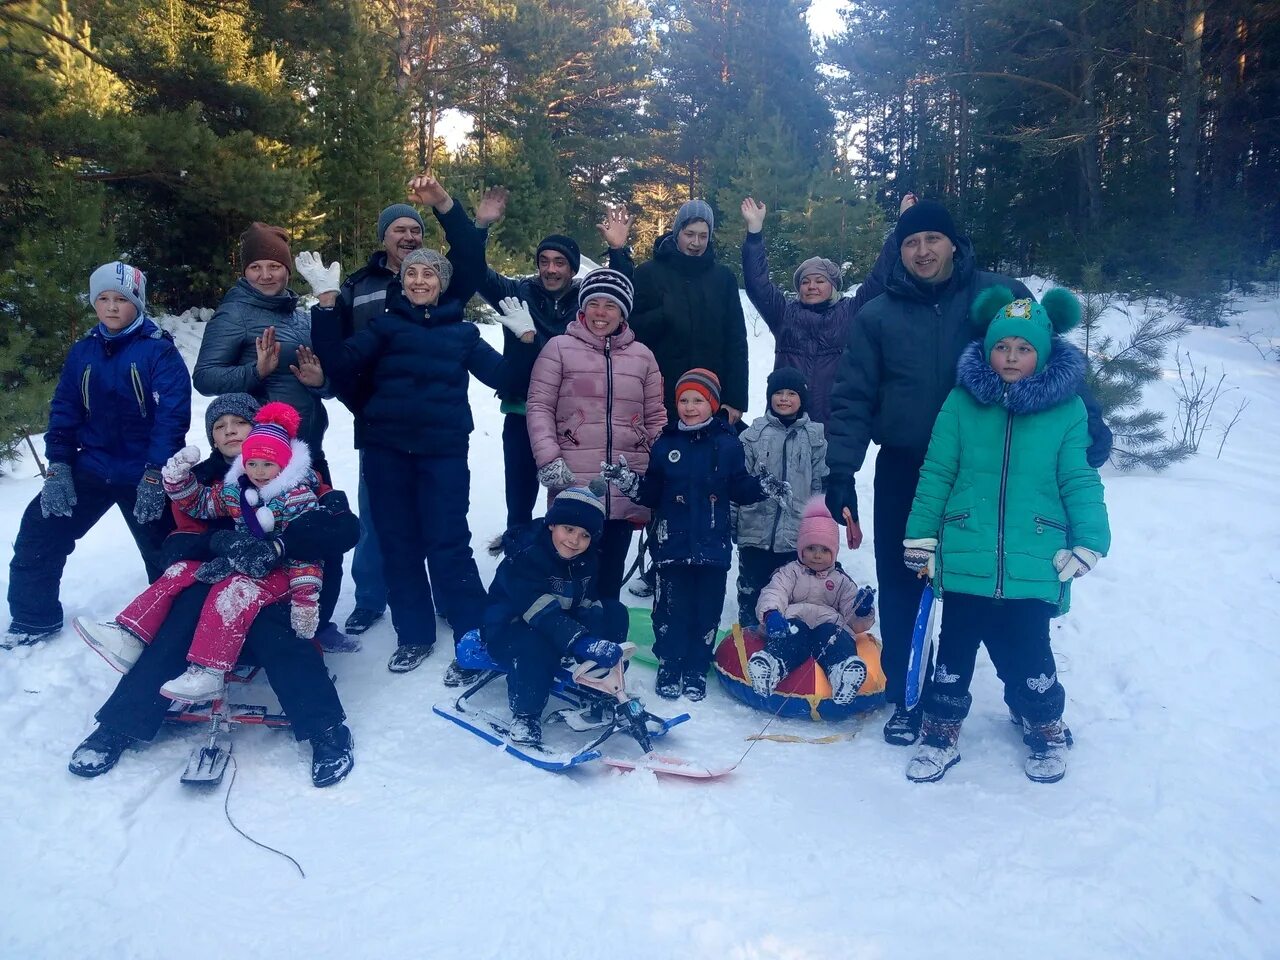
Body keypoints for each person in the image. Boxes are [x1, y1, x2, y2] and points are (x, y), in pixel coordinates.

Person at [823, 199, 1113, 746]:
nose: (922, 251)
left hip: (989, 469)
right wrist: (841, 470)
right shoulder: (877, 315)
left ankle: (1026, 698)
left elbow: (1051, 355)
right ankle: (909, 698)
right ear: (898, 251)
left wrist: (1090, 415)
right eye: (910, 243)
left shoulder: (997, 296)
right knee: (904, 581)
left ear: (953, 243)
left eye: (933, 239)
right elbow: (851, 395)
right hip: (908, 468)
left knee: (999, 587)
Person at [305, 175, 537, 677]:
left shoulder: (462, 333)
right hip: (387, 450)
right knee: (398, 542)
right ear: (403, 283)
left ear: (442, 281)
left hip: (443, 451)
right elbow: (340, 364)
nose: (419, 281)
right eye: (412, 275)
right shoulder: (385, 327)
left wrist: (523, 340)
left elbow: (504, 378)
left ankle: (475, 630)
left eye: (428, 274)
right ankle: (414, 634)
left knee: (449, 540)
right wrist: (326, 307)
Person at [68, 392, 360, 788]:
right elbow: (173, 544)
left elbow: (340, 528)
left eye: (238, 423)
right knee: (183, 616)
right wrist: (221, 544)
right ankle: (120, 724)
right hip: (215, 587)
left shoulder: (295, 469)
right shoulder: (203, 479)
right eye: (219, 427)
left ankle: (325, 729)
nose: (228, 432)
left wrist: (281, 546)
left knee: (271, 629)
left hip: (286, 587)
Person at [900, 287, 1110, 784]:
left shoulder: (1067, 410)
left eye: (1024, 348)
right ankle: (940, 731)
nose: (1011, 357)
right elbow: (937, 472)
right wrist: (921, 537)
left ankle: (1043, 726)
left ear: (1043, 353)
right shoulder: (961, 402)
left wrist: (1089, 543)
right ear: (987, 348)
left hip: (1035, 555)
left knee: (1030, 651)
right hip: (966, 548)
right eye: (1002, 347)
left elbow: (1079, 479)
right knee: (953, 651)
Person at [75, 402, 326, 704]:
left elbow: (307, 550)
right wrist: (179, 479)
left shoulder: (297, 497)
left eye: (267, 464)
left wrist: (305, 599)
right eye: (253, 463)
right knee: (180, 572)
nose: (259, 472)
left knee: (233, 591)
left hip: (283, 573)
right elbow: (200, 503)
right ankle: (129, 634)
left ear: (285, 465)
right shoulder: (236, 488)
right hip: (240, 563)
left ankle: (209, 670)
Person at [5, 262, 190, 648]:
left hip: (144, 472)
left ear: (137, 303)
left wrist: (156, 474)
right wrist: (58, 465)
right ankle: (32, 620)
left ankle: (174, 631)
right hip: (92, 465)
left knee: (167, 553)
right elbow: (66, 407)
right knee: (40, 530)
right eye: (102, 298)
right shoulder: (83, 351)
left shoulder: (159, 352)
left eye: (120, 299)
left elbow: (171, 418)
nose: (110, 307)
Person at [190, 222, 349, 648]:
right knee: (265, 539)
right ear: (244, 272)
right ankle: (262, 631)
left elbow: (326, 382)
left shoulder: (297, 316)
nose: (266, 275)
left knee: (318, 537)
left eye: (274, 266)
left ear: (286, 270)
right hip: (261, 460)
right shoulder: (234, 313)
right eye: (256, 266)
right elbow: (204, 377)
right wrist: (252, 373)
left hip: (307, 452)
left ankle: (316, 623)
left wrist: (320, 383)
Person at [601, 369, 788, 701]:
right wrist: (630, 483)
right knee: (670, 610)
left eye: (698, 400)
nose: (689, 407)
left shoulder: (728, 444)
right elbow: (653, 491)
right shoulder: (666, 443)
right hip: (671, 543)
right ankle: (670, 664)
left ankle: (697, 668)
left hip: (712, 548)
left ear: (713, 404)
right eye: (683, 400)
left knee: (706, 611)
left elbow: (739, 488)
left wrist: (762, 486)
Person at [473, 188, 636, 538]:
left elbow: (621, 290)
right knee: (519, 500)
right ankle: (516, 560)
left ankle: (565, 565)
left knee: (568, 499)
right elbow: (475, 272)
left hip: (571, 417)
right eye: (544, 261)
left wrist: (618, 251)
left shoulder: (587, 299)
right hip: (520, 410)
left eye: (559, 262)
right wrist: (481, 227)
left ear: (573, 268)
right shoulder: (517, 293)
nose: (550, 269)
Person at [524, 268, 665, 601]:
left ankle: (605, 636)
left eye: (611, 305)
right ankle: (566, 634)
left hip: (626, 481)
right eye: (595, 303)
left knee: (610, 571)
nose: (601, 313)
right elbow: (539, 407)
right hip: (574, 480)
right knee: (568, 571)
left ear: (623, 313)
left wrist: (661, 468)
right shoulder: (558, 348)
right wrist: (548, 458)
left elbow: (656, 416)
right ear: (583, 307)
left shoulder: (643, 357)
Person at [326, 201, 432, 637]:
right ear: (384, 236)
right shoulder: (359, 285)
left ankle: (435, 593)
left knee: (429, 512)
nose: (408, 237)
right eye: (399, 230)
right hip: (376, 417)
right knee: (374, 514)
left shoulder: (435, 276)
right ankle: (370, 598)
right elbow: (341, 349)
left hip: (429, 416)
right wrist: (356, 400)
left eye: (415, 230)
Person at [482, 487, 628, 746]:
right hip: (511, 627)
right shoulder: (526, 556)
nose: (574, 540)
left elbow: (586, 600)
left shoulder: (586, 559)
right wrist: (582, 641)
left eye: (584, 535)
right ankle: (525, 713)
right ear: (552, 525)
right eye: (568, 529)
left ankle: (599, 684)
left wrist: (596, 637)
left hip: (558, 623)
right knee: (536, 644)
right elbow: (539, 610)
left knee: (614, 612)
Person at [748, 497, 877, 705]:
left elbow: (850, 617)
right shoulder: (790, 573)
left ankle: (842, 673)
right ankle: (771, 667)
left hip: (827, 626)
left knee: (836, 637)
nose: (817, 556)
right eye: (811, 549)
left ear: (834, 553)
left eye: (825, 550)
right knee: (790, 637)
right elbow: (774, 592)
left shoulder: (841, 580)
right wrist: (771, 613)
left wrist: (861, 609)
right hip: (795, 622)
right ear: (801, 549)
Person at [739, 197, 857, 424]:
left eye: (820, 281)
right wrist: (754, 232)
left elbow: (878, 282)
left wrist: (903, 231)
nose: (812, 286)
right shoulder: (784, 314)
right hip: (783, 426)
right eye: (805, 282)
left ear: (833, 285)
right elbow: (757, 285)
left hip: (830, 428)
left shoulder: (849, 312)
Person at [630, 200, 749, 424]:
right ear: (677, 233)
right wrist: (663, 314)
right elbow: (631, 331)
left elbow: (736, 342)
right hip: (660, 395)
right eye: (690, 234)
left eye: (703, 236)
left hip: (711, 394)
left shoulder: (723, 279)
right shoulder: (648, 274)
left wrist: (735, 399)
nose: (696, 242)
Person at [734, 367, 828, 628]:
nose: (784, 399)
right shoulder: (752, 436)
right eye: (778, 393)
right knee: (752, 590)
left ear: (802, 399)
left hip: (794, 535)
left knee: (787, 593)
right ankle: (748, 641)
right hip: (755, 532)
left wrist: (818, 531)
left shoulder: (814, 438)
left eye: (791, 393)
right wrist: (732, 524)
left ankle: (783, 646)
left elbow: (819, 487)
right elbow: (737, 484)